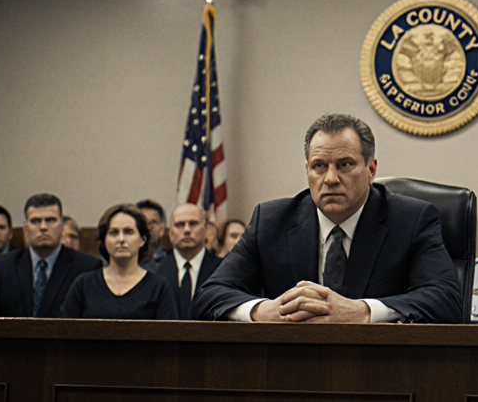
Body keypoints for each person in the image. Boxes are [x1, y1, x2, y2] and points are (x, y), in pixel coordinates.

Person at [193, 113, 462, 323]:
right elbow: (209, 296)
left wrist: (363, 312)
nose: (331, 179)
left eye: (345, 165)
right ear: (307, 170)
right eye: (319, 166)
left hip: (382, 370)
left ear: (371, 169)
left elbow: (446, 301)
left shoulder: (412, 220)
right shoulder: (271, 221)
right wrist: (264, 311)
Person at [0, 193, 103, 318]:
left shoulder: (87, 267)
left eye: (50, 220)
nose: (43, 227)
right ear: (25, 227)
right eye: (35, 221)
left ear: (62, 226)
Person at [62, 204, 177, 320]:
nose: (121, 239)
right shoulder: (83, 285)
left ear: (142, 240)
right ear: (104, 240)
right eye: (113, 233)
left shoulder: (159, 286)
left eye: (129, 232)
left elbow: (169, 335)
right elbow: (65, 332)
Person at [149, 203, 223, 319]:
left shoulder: (222, 269)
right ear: (170, 232)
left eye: (193, 223)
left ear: (206, 229)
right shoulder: (154, 270)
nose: (187, 230)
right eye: (180, 224)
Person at [136, 199, 168, 268]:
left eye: (152, 223)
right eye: (143, 223)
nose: (148, 228)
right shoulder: (124, 260)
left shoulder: (170, 261)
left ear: (161, 229)